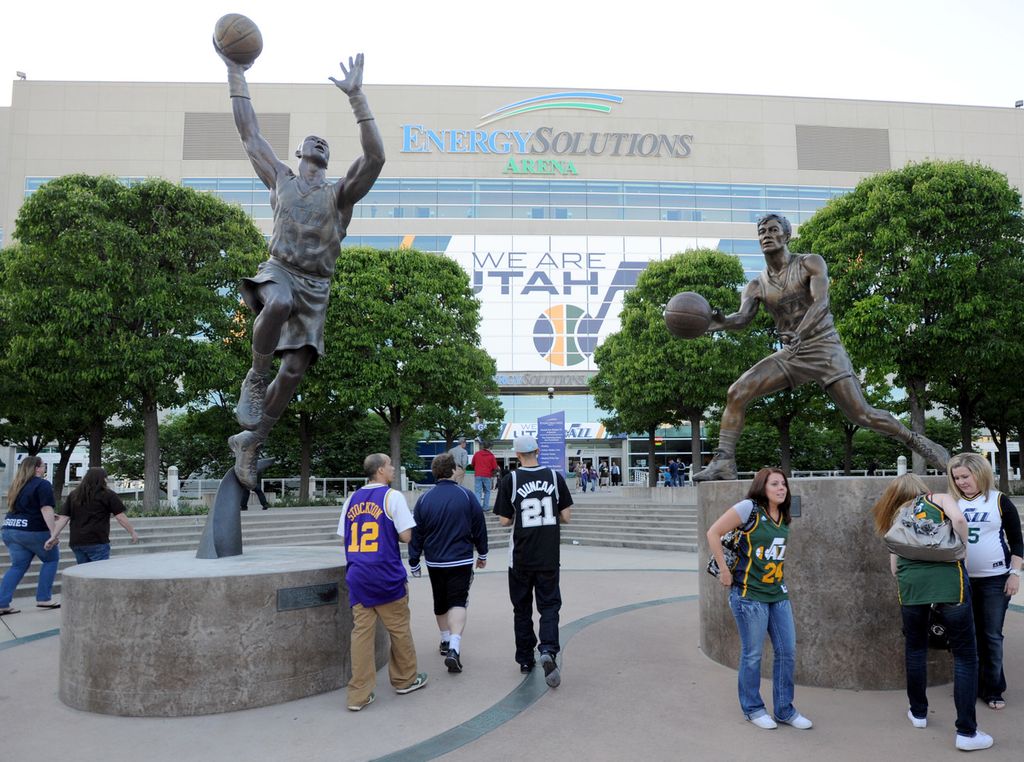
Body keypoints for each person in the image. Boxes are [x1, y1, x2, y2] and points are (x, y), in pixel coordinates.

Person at [217, 47, 385, 490]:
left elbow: (375, 158)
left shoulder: (340, 195)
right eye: (313, 142)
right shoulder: (281, 179)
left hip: (317, 286)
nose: (319, 143)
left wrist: (357, 98)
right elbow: (249, 132)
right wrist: (236, 72)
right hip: (280, 269)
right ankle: (255, 376)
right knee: (277, 303)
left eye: (325, 145)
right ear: (300, 151)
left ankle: (251, 442)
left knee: (292, 373)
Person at [688, 213, 949, 481]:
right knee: (737, 391)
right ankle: (724, 462)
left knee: (862, 414)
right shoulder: (756, 285)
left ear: (786, 236)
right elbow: (741, 319)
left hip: (824, 347)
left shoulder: (809, 263)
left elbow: (821, 303)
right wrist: (718, 322)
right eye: (761, 231)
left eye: (773, 229)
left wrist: (799, 332)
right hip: (793, 352)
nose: (766, 235)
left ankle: (913, 439)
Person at [870, 473, 992, 751]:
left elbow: (894, 565)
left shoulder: (899, 512)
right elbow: (960, 521)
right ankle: (967, 732)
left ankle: (919, 713)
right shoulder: (938, 498)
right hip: (949, 582)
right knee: (965, 655)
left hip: (911, 585)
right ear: (921, 489)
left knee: (915, 648)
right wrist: (961, 549)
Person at [706, 467, 812, 731]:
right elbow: (713, 533)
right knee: (752, 654)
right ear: (762, 487)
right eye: (774, 484)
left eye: (784, 484)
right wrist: (725, 570)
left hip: (777, 593)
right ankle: (753, 708)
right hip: (748, 595)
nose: (781, 488)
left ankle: (785, 709)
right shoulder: (748, 509)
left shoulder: (783, 515)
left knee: (787, 651)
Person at [339, 453, 427, 711]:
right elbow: (406, 536)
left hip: (358, 574)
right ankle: (405, 679)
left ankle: (358, 695)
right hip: (385, 573)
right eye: (389, 465)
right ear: (380, 470)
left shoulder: (351, 499)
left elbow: (343, 535)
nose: (392, 468)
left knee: (361, 634)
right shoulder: (393, 496)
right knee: (399, 629)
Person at [494, 435, 573, 687]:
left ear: (517, 455)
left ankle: (525, 658)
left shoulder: (511, 479)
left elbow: (505, 520)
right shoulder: (554, 477)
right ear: (538, 451)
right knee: (549, 606)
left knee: (522, 608)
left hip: (520, 556)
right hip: (548, 555)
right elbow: (567, 516)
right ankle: (548, 649)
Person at [947, 453, 1023, 711]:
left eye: (965, 476)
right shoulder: (952, 502)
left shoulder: (999, 500)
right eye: (956, 478)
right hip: (961, 578)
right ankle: (968, 685)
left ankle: (992, 689)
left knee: (991, 635)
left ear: (979, 473)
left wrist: (1015, 574)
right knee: (965, 635)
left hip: (994, 579)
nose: (961, 482)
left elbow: (1017, 541)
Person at [408, 453, 488, 674]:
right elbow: (479, 527)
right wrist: (482, 553)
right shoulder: (466, 496)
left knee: (440, 600)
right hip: (461, 558)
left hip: (435, 561)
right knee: (458, 602)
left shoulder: (424, 499)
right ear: (453, 470)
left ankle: (444, 640)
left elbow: (417, 533)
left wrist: (414, 560)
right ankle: (454, 645)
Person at [0, 457, 60, 613]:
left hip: (10, 529)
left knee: (17, 566)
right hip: (33, 531)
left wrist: (50, 516)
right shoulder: (43, 484)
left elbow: (25, 508)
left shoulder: (17, 485)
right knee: (51, 559)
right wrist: (53, 533)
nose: (45, 468)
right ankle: (44, 599)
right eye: (43, 466)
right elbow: (46, 508)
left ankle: (2, 603)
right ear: (37, 468)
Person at [44, 467, 139, 562]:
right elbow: (120, 517)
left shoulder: (74, 495)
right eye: (105, 478)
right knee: (98, 573)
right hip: (97, 540)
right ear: (102, 479)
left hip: (77, 542)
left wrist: (53, 536)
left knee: (82, 572)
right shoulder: (108, 495)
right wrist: (132, 532)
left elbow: (64, 518)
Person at [470, 440, 498, 510]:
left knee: (478, 492)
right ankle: (485, 507)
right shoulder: (491, 456)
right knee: (487, 491)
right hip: (487, 475)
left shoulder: (477, 454)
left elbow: (472, 464)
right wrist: (492, 473)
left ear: (483, 446)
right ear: (489, 447)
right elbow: (495, 467)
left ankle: (478, 508)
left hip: (478, 475)